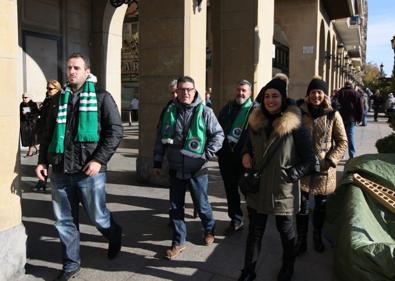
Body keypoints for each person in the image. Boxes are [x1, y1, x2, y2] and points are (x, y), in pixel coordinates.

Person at [35, 53, 123, 281]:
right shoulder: (57, 100)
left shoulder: (102, 97)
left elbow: (115, 131)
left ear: (87, 71)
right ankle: (71, 264)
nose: (71, 71)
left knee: (98, 217)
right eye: (69, 68)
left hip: (89, 171)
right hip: (61, 170)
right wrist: (42, 161)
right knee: (64, 221)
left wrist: (98, 160)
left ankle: (114, 234)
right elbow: (47, 133)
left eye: (76, 67)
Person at [238, 74, 315, 281]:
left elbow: (310, 160)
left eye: (275, 96)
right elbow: (247, 144)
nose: (270, 100)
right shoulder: (255, 121)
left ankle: (288, 268)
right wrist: (245, 154)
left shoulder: (295, 124)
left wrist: (291, 174)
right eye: (267, 96)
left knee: (286, 232)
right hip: (259, 187)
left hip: (284, 190)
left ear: (283, 98)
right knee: (255, 232)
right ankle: (248, 271)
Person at [153, 76, 224, 260]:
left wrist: (207, 154)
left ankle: (209, 229)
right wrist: (157, 162)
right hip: (176, 168)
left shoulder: (205, 112)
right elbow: (159, 138)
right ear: (176, 91)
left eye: (189, 90)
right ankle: (178, 241)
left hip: (197, 169)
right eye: (182, 89)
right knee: (175, 207)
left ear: (194, 91)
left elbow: (218, 135)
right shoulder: (168, 111)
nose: (185, 93)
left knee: (202, 205)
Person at [295, 77, 348, 256]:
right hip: (303, 166)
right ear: (308, 95)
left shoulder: (333, 114)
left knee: (320, 206)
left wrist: (329, 160)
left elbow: (342, 142)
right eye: (313, 92)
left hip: (324, 168)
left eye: (319, 92)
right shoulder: (299, 112)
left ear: (324, 95)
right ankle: (301, 239)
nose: (316, 95)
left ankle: (317, 236)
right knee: (301, 205)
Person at [217, 79, 254, 235]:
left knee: (248, 191)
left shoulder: (255, 110)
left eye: (244, 90)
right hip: (227, 158)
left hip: (245, 159)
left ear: (250, 92)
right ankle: (236, 220)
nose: (240, 93)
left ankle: (254, 219)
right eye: (238, 90)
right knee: (231, 191)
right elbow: (218, 129)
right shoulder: (227, 108)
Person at [34, 80, 62, 191]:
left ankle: (51, 182)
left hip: (55, 134)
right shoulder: (48, 100)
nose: (48, 90)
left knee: (54, 158)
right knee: (43, 158)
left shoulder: (60, 100)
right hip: (45, 132)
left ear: (57, 89)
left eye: (50, 88)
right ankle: (42, 181)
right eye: (47, 88)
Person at [335, 80, 363, 159]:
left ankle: (340, 154)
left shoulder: (340, 92)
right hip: (351, 119)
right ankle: (352, 156)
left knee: (340, 138)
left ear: (345, 85)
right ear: (351, 85)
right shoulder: (356, 93)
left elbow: (334, 103)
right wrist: (359, 118)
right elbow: (360, 107)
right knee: (350, 138)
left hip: (340, 118)